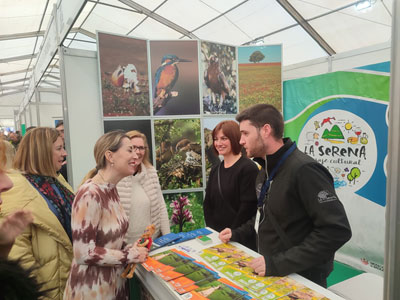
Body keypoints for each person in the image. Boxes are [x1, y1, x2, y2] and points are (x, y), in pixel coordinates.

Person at [219, 104, 352, 288]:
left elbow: (336, 230)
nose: (240, 140)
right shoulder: (265, 170)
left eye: (245, 134)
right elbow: (264, 215)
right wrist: (237, 233)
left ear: (266, 130)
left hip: (303, 280)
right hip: (275, 275)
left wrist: (278, 263)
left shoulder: (304, 170)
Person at [64, 130, 148, 300]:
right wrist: (129, 255)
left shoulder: (111, 189)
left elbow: (109, 240)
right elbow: (83, 253)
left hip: (112, 286)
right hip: (91, 290)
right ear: (110, 156)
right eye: (129, 150)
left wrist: (128, 247)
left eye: (137, 150)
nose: (136, 155)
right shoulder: (90, 193)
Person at [0, 128, 74, 299]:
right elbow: (19, 256)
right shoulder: (17, 192)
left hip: (67, 284)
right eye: (59, 148)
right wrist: (38, 294)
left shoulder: (57, 182)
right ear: (42, 152)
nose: (65, 153)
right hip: (47, 290)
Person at [203, 120, 259, 250]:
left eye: (224, 138)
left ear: (235, 138)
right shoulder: (216, 169)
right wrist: (214, 232)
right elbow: (208, 204)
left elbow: (248, 208)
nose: (218, 143)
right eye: (216, 139)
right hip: (217, 238)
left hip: (240, 239)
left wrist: (232, 233)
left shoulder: (248, 168)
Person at [117, 130, 170, 244]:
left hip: (150, 242)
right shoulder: (116, 177)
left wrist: (168, 239)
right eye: (133, 147)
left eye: (141, 148)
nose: (137, 152)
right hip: (125, 247)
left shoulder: (151, 173)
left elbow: (161, 207)